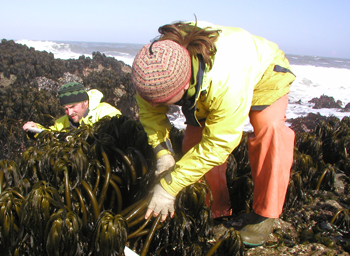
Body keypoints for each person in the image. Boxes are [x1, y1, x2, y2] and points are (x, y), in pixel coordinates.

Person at [131, 20, 296, 247]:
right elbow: (150, 114)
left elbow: (218, 144)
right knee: (192, 145)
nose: (157, 105)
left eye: (166, 103)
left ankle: (265, 214)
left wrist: (169, 186)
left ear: (184, 86)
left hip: (263, 73)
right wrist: (162, 153)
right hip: (205, 81)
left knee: (270, 131)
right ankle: (215, 209)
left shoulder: (226, 80)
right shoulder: (152, 68)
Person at [23, 82, 121, 133]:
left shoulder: (107, 112)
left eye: (73, 107)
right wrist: (35, 129)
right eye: (65, 109)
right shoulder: (61, 122)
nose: (69, 113)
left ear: (85, 102)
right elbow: (50, 135)